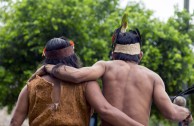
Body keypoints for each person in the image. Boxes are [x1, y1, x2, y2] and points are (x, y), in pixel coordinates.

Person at [43, 29, 192, 126]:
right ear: (140, 55)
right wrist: (185, 113)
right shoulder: (153, 77)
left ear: (113, 54)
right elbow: (171, 113)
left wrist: (49, 67)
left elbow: (76, 75)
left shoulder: (105, 66)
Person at [10, 37, 144, 126]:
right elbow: (105, 110)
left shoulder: (30, 86)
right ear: (72, 57)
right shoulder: (86, 83)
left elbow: (15, 122)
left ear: (46, 58)